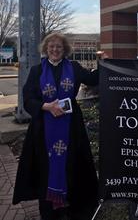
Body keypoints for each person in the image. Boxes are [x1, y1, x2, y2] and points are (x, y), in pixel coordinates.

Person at [13, 33, 101, 220]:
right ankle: (48, 209)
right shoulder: (37, 71)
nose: (55, 50)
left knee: (70, 164)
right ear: (46, 49)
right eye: (51, 47)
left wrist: (104, 63)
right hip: (43, 129)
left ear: (64, 50)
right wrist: (47, 107)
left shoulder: (74, 68)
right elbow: (28, 98)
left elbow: (93, 80)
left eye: (59, 47)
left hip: (71, 128)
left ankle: (67, 207)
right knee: (46, 166)